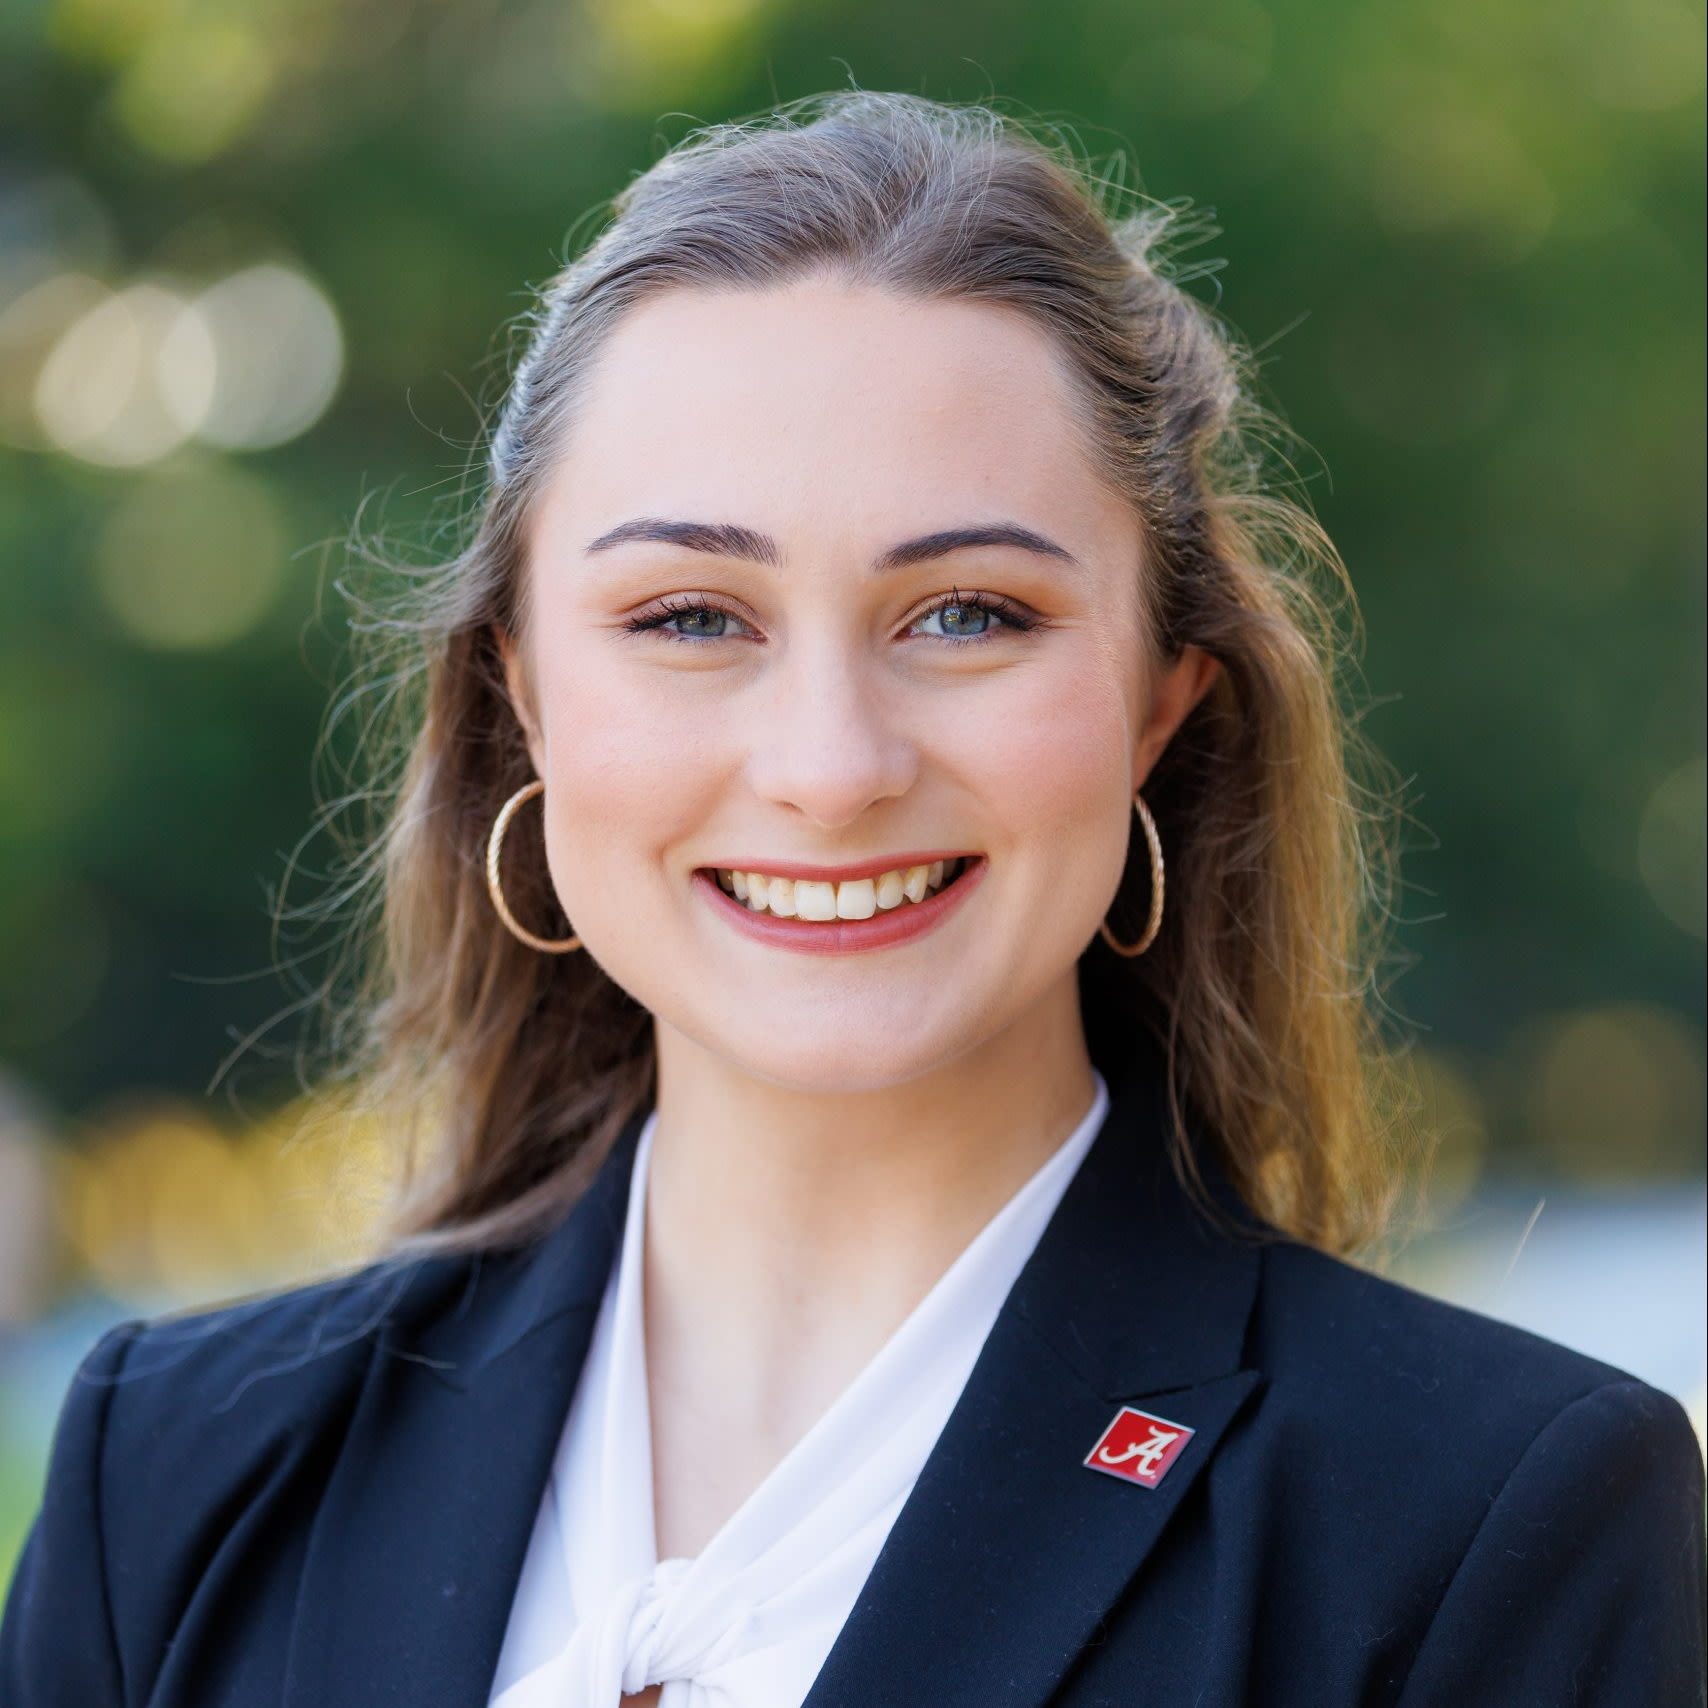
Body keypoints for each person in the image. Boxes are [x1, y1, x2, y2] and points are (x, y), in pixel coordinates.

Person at [2, 89, 1702, 1708]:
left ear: (1160, 701)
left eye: (967, 613)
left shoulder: (1488, 1519)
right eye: (690, 617)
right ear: (522, 691)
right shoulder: (172, 1475)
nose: (831, 765)